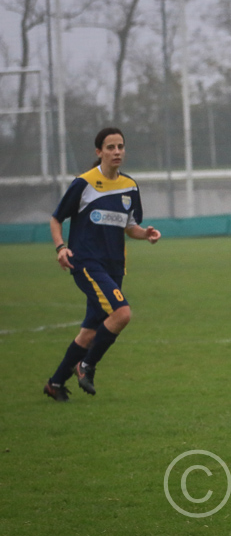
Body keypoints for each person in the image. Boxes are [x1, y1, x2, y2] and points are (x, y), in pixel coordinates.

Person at [43, 127, 161, 401]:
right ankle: (86, 365)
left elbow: (130, 226)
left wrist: (146, 234)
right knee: (122, 314)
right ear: (99, 152)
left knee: (88, 333)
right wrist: (61, 248)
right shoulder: (84, 183)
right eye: (110, 147)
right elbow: (56, 218)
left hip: (115, 267)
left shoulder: (130, 186)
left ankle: (55, 383)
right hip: (87, 263)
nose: (117, 152)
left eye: (120, 146)